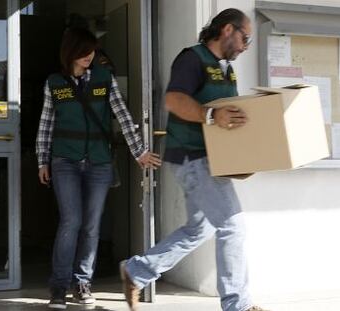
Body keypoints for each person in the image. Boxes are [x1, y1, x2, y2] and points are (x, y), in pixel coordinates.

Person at [119, 8, 269, 311]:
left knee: (199, 229)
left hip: (212, 159)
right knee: (233, 226)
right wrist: (211, 115)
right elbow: (174, 100)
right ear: (228, 29)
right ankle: (237, 305)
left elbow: (229, 116)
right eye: (245, 38)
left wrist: (241, 157)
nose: (245, 47)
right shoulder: (192, 58)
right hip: (192, 157)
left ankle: (136, 271)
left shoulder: (224, 67)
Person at [35, 27, 161, 309]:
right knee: (71, 222)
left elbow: (123, 115)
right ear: (70, 52)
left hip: (99, 163)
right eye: (84, 51)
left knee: (91, 226)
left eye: (92, 50)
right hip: (64, 161)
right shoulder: (54, 83)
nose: (89, 56)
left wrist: (139, 152)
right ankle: (58, 286)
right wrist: (42, 160)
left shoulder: (105, 78)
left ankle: (82, 283)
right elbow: (46, 124)